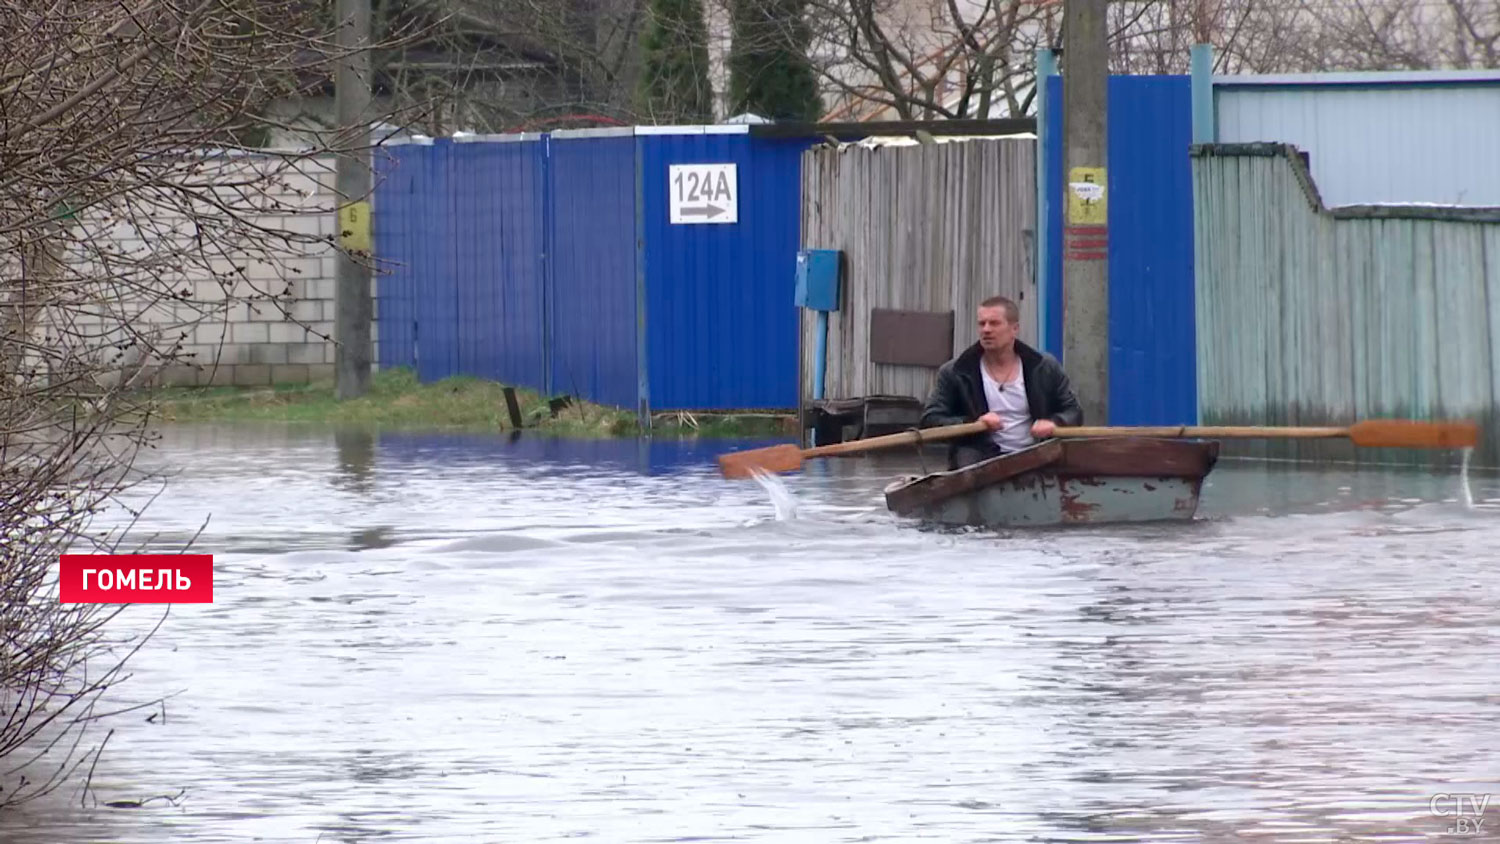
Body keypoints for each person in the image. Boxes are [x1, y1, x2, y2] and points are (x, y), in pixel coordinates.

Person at [919, 295, 1083, 469]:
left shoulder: (1044, 367)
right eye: (982, 324)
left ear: (1014, 329)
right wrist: (974, 423)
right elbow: (930, 420)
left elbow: (1074, 411)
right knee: (967, 464)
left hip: (1036, 454)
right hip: (979, 459)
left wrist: (1054, 422)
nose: (986, 330)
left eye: (994, 323)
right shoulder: (955, 371)